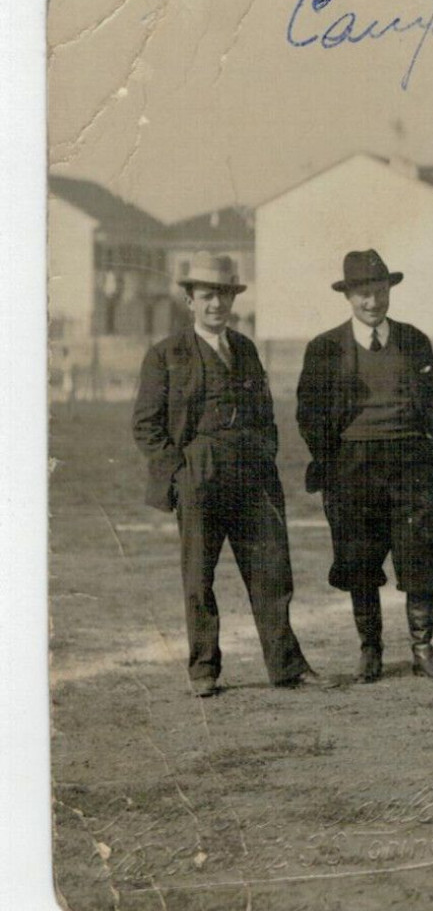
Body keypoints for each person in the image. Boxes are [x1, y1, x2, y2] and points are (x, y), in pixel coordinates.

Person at [132, 254, 331, 696]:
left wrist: (266, 452)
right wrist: (180, 471)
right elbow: (145, 424)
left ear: (232, 299)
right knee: (198, 577)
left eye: (223, 295)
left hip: (252, 477)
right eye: (207, 296)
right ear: (190, 300)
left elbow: (264, 412)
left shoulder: (244, 348)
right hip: (198, 475)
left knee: (272, 572)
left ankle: (286, 666)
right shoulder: (165, 354)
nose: (216, 305)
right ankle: (204, 670)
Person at [297, 249, 433, 684]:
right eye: (363, 294)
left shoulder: (415, 340)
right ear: (348, 296)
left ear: (389, 291)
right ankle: (371, 649)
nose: (372, 302)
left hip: (409, 462)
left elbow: (432, 409)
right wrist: (334, 460)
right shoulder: (325, 348)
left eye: (379, 292)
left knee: (418, 553)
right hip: (353, 465)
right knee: (359, 558)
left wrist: (426, 453)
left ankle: (423, 648)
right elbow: (308, 414)